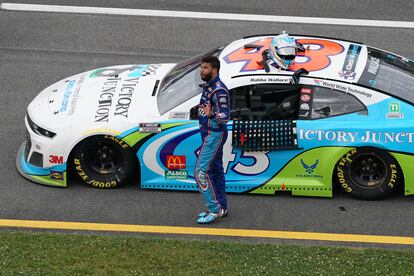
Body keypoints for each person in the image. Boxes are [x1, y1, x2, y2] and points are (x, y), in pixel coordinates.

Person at [194, 56, 230, 224]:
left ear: (214, 70)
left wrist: (212, 114)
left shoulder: (219, 90)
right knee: (215, 171)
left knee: (200, 173)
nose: (202, 70)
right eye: (201, 67)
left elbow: (225, 117)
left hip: (214, 134)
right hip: (208, 133)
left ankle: (215, 210)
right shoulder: (208, 87)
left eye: (205, 68)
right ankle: (221, 207)